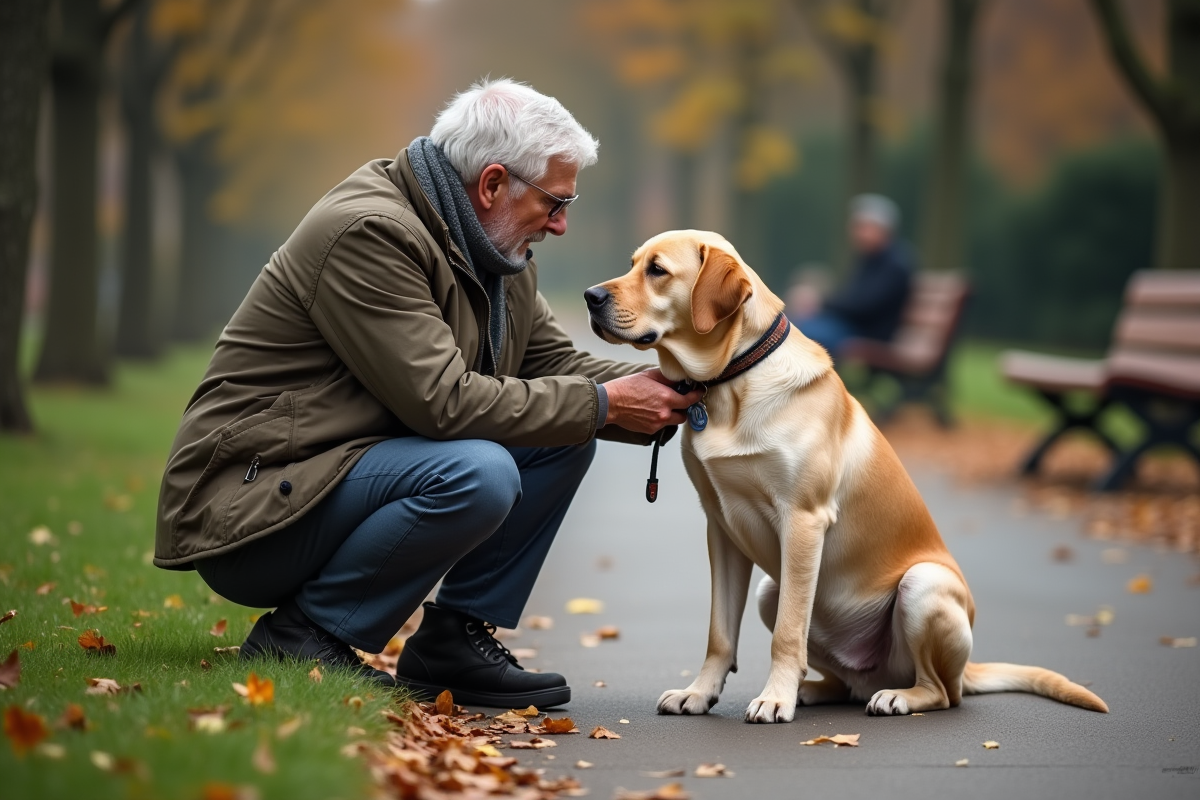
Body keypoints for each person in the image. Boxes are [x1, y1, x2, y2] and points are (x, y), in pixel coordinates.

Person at [153, 79, 703, 708]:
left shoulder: (496, 251)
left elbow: (554, 365)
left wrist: (683, 384)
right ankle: (303, 636)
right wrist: (607, 404)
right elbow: (443, 403)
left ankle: (452, 643)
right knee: (481, 471)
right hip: (253, 506)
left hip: (333, 474)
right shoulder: (369, 233)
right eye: (554, 201)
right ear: (492, 184)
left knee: (564, 431)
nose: (561, 223)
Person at [792, 194, 914, 357]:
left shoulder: (894, 265)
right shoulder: (871, 258)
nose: (857, 233)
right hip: (855, 327)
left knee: (804, 331)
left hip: (869, 334)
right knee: (798, 325)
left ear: (883, 229)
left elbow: (864, 307)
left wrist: (821, 303)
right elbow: (853, 299)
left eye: (863, 227)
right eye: (856, 227)